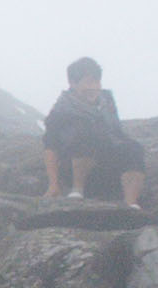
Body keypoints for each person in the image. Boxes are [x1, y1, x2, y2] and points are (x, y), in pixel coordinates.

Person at [40, 58, 146, 208]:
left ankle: (130, 204)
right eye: (88, 82)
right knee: (87, 132)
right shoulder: (61, 110)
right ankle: (77, 192)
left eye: (97, 82)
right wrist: (53, 184)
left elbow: (117, 133)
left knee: (133, 148)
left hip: (106, 165)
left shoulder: (107, 100)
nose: (93, 87)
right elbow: (50, 147)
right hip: (73, 168)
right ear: (72, 83)